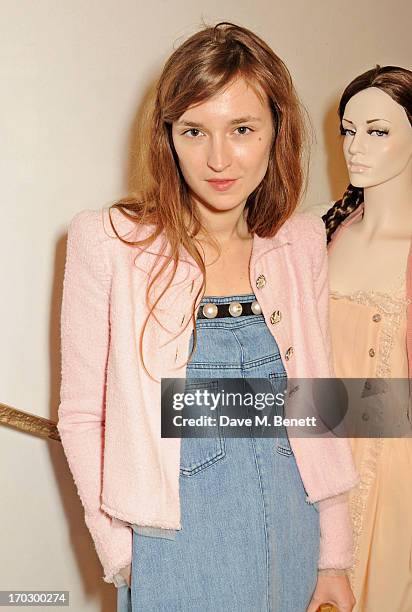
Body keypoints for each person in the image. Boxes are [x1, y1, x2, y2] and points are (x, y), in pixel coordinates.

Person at [57, 22, 359, 612]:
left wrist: (334, 556)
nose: (218, 158)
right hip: (174, 541)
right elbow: (82, 412)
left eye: (242, 129)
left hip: (295, 524)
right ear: (168, 136)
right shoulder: (111, 241)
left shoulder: (299, 243)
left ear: (277, 131)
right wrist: (120, 549)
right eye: (195, 130)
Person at [323, 65, 412, 611]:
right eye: (349, 130)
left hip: (397, 476)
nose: (356, 146)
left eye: (377, 131)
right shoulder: (323, 233)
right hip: (323, 462)